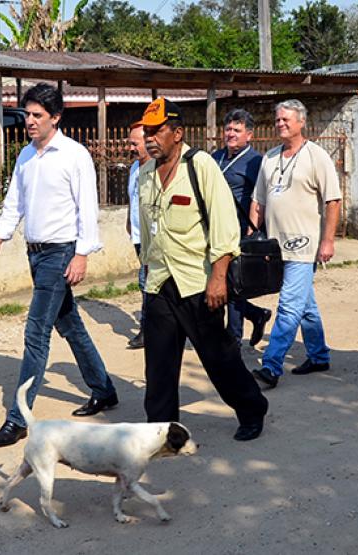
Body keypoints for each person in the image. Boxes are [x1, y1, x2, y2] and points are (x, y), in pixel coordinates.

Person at [0, 83, 118, 448]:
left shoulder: (74, 155)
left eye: (37, 115)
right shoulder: (26, 156)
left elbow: (87, 206)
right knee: (70, 326)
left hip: (61, 253)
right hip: (35, 252)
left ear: (55, 118)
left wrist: (82, 253)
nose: (29, 121)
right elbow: (15, 202)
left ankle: (18, 418)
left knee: (36, 332)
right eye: (27, 114)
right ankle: (104, 390)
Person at [137, 97, 268, 441]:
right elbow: (148, 228)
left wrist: (219, 278)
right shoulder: (146, 173)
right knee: (160, 364)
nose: (149, 137)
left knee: (218, 358)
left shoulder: (201, 166)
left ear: (177, 133)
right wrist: (146, 270)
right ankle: (163, 430)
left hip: (198, 282)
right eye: (146, 131)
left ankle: (252, 409)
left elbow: (225, 225)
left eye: (157, 131)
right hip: (160, 281)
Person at [248, 99, 342, 390]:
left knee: (289, 305)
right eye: (277, 120)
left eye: (286, 119)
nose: (280, 124)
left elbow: (333, 201)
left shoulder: (317, 156)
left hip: (304, 245)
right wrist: (252, 236)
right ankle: (318, 355)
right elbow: (258, 201)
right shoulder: (270, 157)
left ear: (302, 122)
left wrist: (327, 240)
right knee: (305, 304)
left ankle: (271, 366)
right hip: (276, 247)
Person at [211, 109, 272, 347]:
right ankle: (256, 314)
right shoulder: (216, 157)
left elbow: (262, 197)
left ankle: (233, 337)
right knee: (219, 282)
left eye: (237, 130)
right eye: (228, 129)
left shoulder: (256, 161)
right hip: (215, 229)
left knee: (234, 283)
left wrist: (255, 229)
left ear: (249, 135)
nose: (231, 134)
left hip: (240, 230)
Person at [125, 123, 150, 350]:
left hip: (152, 237)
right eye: (130, 143)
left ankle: (147, 330)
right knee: (146, 283)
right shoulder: (135, 167)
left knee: (147, 282)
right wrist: (127, 222)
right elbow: (132, 198)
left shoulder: (156, 168)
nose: (131, 147)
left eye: (135, 143)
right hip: (137, 235)